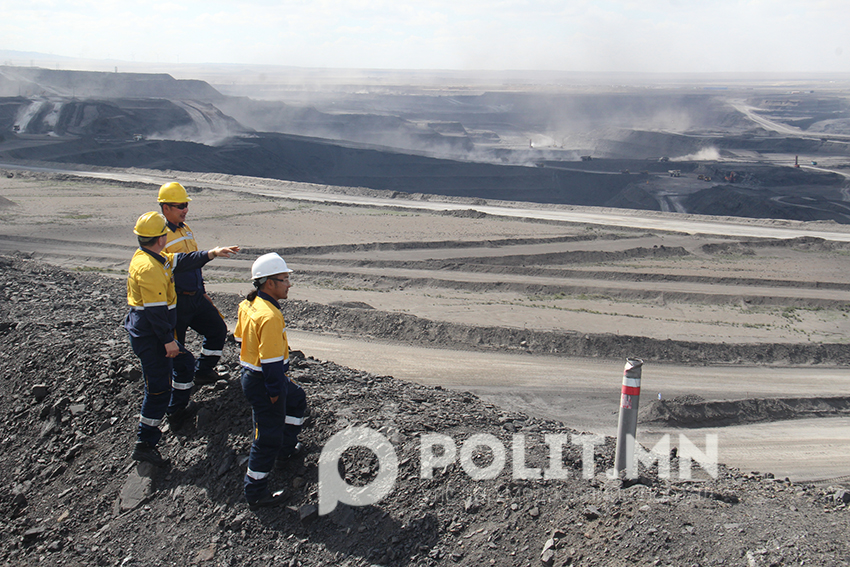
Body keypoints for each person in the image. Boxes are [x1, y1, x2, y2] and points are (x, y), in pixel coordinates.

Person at [125, 211, 239, 467]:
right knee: (158, 389)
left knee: (185, 365)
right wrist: (169, 341)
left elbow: (182, 261)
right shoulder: (150, 268)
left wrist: (212, 253)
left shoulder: (153, 258)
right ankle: (145, 443)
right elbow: (155, 311)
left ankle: (176, 410)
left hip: (152, 333)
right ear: (161, 237)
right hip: (152, 336)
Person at [235, 253, 307, 509]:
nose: (289, 284)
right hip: (264, 380)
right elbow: (272, 363)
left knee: (297, 399)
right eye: (284, 279)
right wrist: (275, 391)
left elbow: (239, 338)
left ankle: (286, 448)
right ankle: (255, 492)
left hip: (253, 375)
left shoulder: (249, 304)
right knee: (266, 438)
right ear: (269, 283)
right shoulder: (270, 316)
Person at [158, 181, 228, 386]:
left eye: (186, 205)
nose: (185, 210)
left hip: (195, 296)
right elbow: (176, 265)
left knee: (217, 329)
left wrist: (202, 290)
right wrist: (211, 253)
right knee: (176, 348)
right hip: (176, 300)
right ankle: (176, 392)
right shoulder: (160, 235)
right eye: (180, 206)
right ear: (166, 208)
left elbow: (194, 264)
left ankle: (204, 371)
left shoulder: (185, 229)